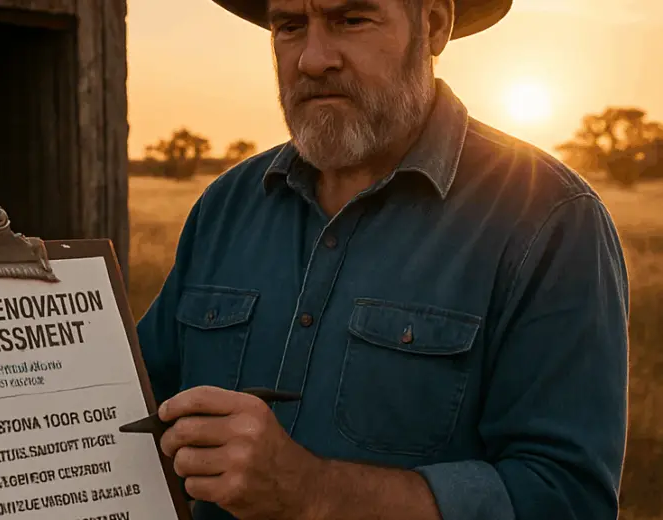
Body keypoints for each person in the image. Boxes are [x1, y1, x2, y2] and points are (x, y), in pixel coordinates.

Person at [135, 0, 630, 518]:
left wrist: (314, 492)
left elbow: (567, 499)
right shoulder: (227, 205)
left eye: (352, 20)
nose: (313, 58)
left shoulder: (549, 218)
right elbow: (133, 409)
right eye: (290, 26)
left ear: (434, 24)